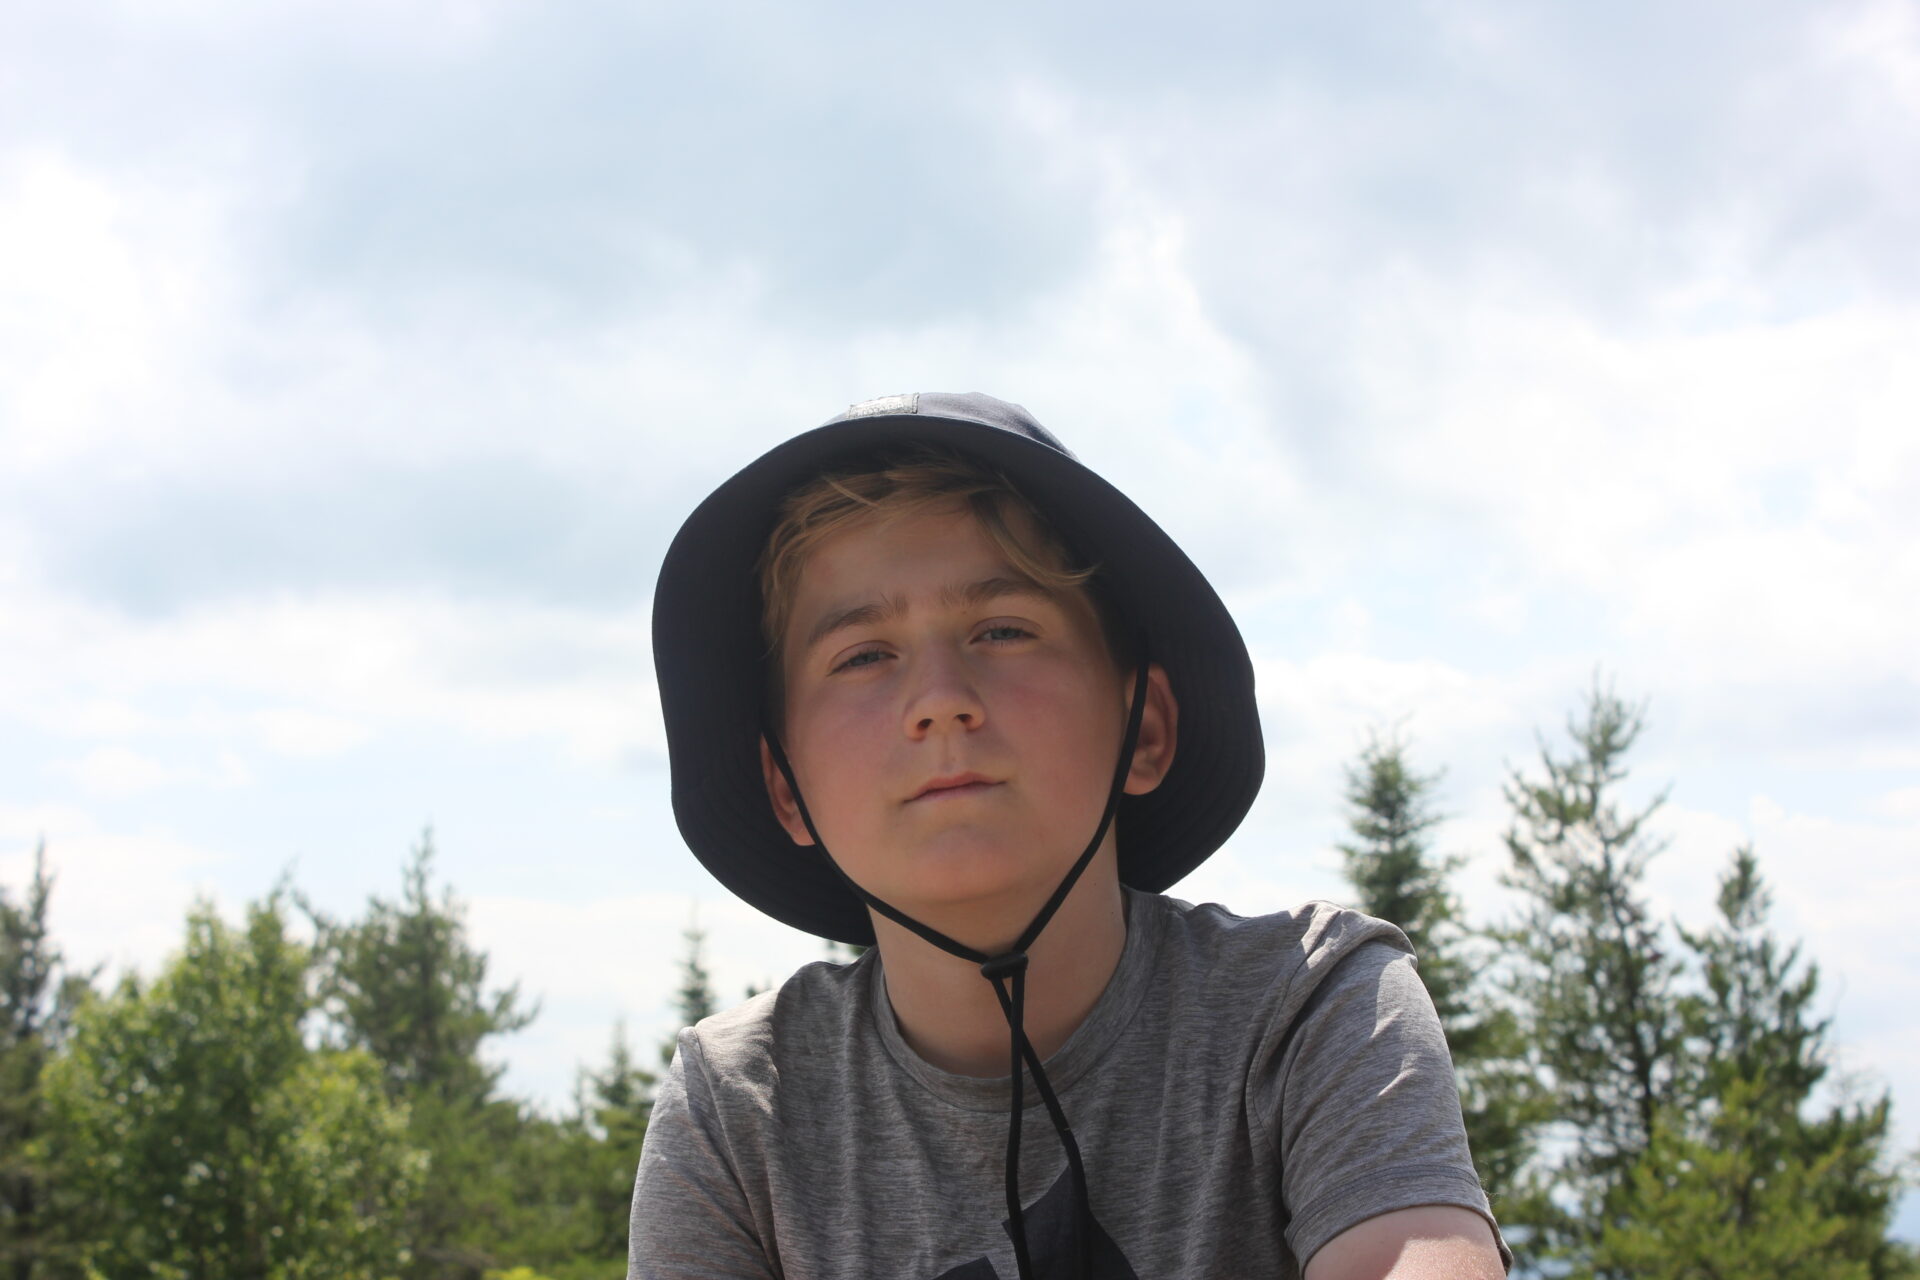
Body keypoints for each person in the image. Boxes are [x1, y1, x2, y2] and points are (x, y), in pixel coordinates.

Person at [633, 392, 1510, 1279]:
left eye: (1004, 630)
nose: (940, 698)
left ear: (1147, 728)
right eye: (862, 655)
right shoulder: (742, 1107)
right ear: (785, 786)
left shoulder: (1308, 1010)